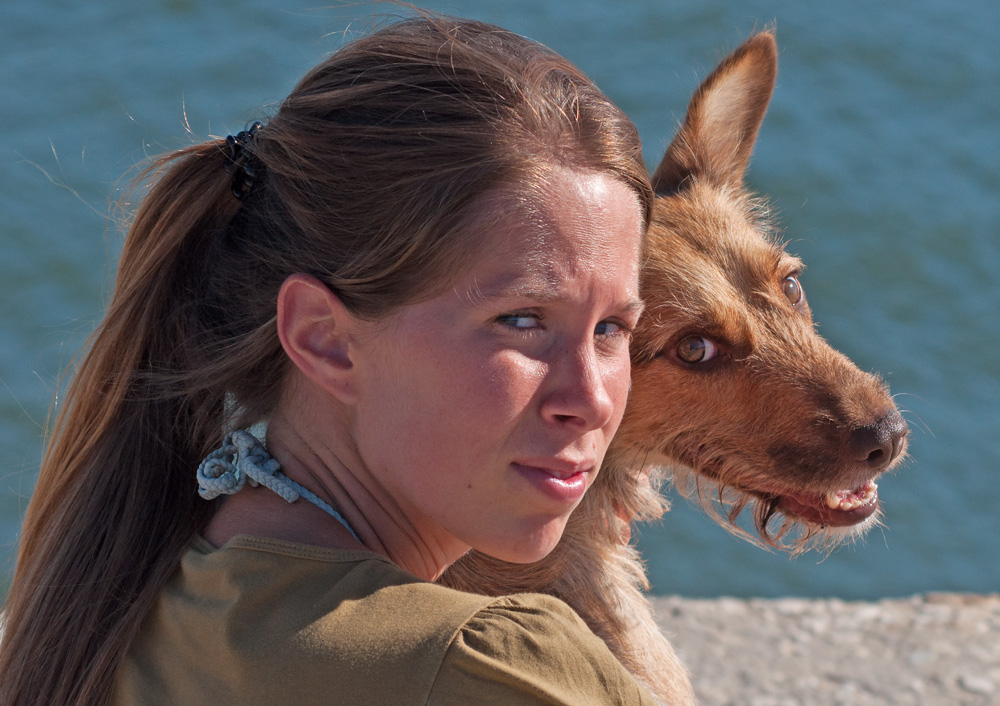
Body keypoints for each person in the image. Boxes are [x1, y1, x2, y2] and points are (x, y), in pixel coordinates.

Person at [0, 13, 662, 706]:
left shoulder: (128, 604)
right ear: (324, 339)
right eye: (522, 321)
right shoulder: (483, 673)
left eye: (612, 329)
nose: (590, 399)